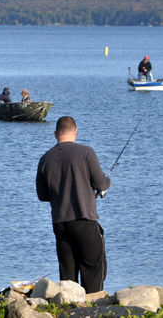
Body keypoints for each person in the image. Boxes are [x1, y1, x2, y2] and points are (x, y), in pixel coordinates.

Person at [36, 116, 111, 293]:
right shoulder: (86, 152)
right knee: (93, 272)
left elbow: (42, 195)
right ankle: (93, 310)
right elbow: (101, 184)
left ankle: (68, 310)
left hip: (60, 224)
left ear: (55, 134)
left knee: (67, 278)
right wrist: (107, 182)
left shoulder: (45, 159)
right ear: (75, 132)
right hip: (84, 220)